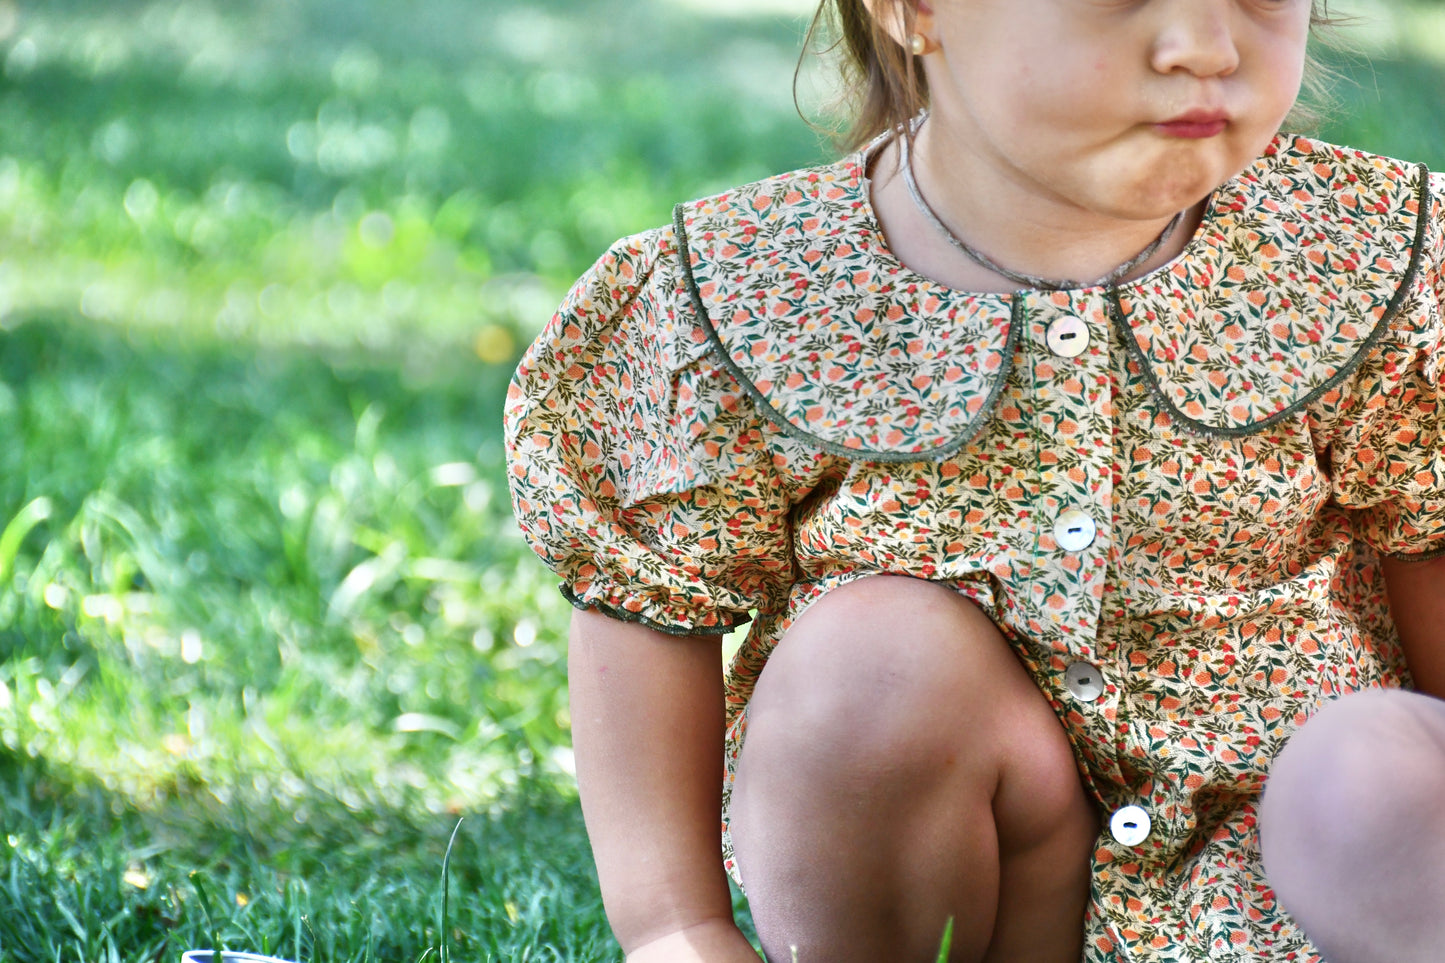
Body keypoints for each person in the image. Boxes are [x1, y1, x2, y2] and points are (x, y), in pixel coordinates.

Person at [504, 0, 1445, 959]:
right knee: (867, 664)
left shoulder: (1363, 257)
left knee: (1369, 762)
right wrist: (677, 926)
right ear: (913, 10)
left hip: (1297, 891)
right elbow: (648, 596)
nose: (1203, 44)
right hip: (993, 894)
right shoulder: (758, 293)